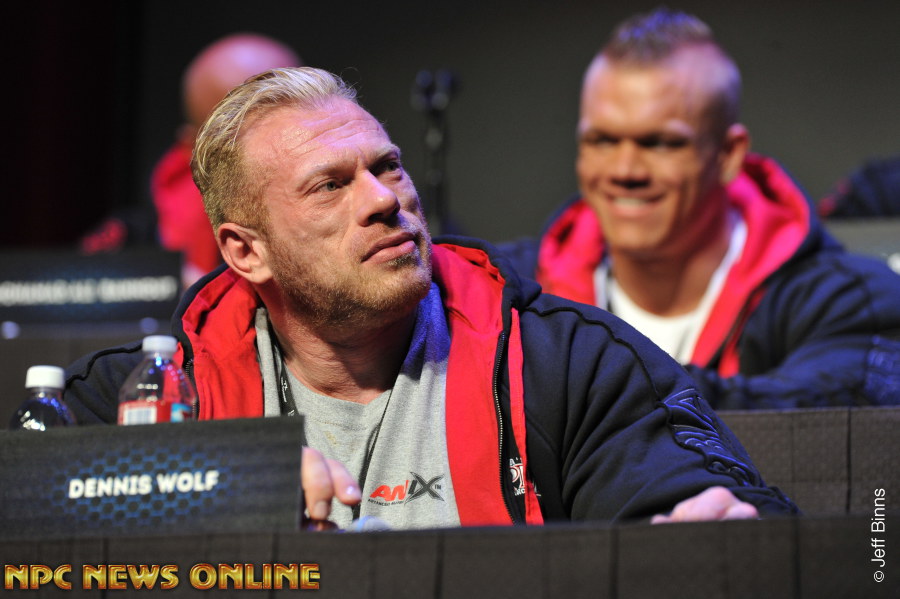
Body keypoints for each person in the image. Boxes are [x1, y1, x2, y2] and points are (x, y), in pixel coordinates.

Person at [64, 67, 796, 531]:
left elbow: (720, 510)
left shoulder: (564, 363)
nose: (384, 199)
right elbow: (31, 523)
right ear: (245, 251)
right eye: (330, 185)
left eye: (387, 167)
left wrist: (710, 528)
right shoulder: (142, 395)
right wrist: (220, 486)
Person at [500, 8, 900, 410]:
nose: (624, 171)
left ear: (728, 155)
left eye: (660, 143)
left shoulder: (851, 301)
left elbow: (805, 427)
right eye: (602, 141)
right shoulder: (507, 290)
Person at [80, 33, 302, 289]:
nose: (268, 153)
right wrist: (170, 286)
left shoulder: (338, 213)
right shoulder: (128, 244)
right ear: (192, 144)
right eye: (234, 137)